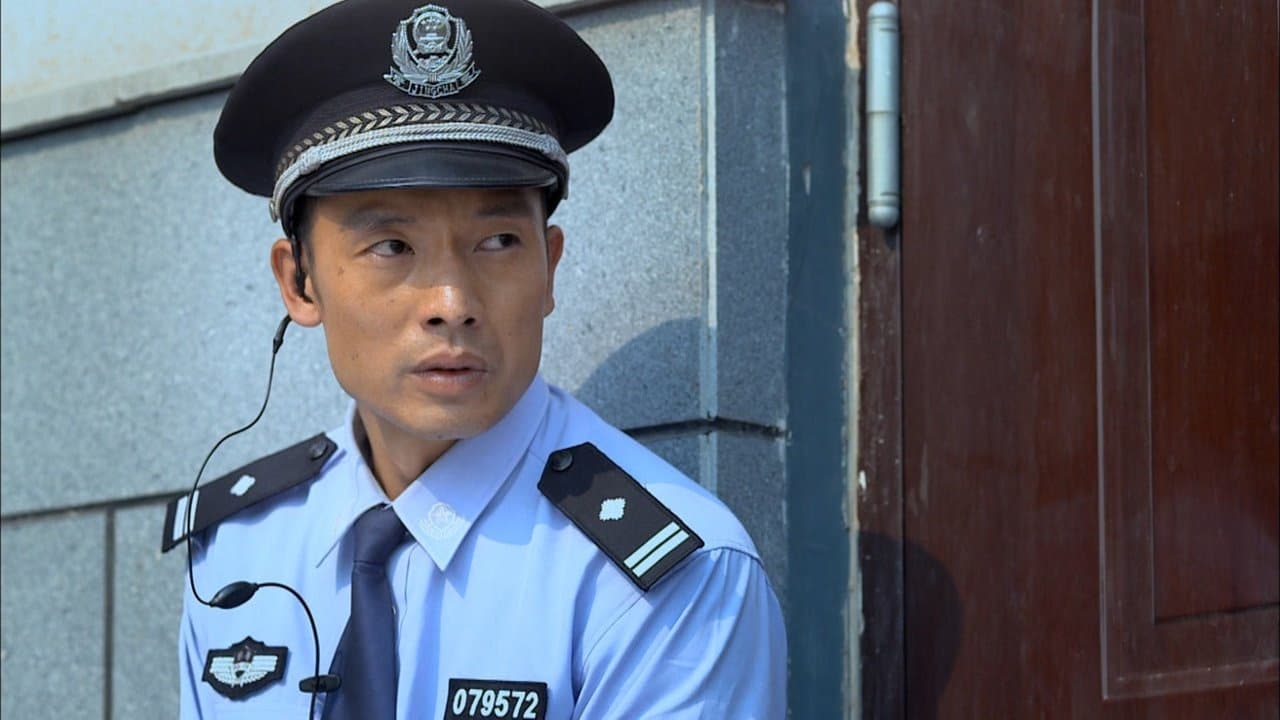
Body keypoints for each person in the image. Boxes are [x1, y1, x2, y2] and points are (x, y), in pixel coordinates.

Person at [162, 0, 786, 717]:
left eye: (497, 243)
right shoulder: (240, 549)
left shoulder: (667, 582)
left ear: (549, 269)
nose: (452, 302)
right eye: (391, 246)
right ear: (299, 282)